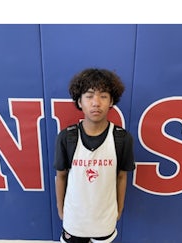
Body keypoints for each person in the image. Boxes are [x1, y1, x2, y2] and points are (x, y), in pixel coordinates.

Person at [54, 68, 135, 243]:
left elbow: (122, 176)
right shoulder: (67, 137)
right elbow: (61, 176)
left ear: (112, 100)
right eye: (89, 96)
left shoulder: (122, 138)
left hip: (104, 221)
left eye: (103, 96)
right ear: (79, 101)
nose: (96, 102)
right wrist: (61, 211)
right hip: (74, 221)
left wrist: (118, 210)